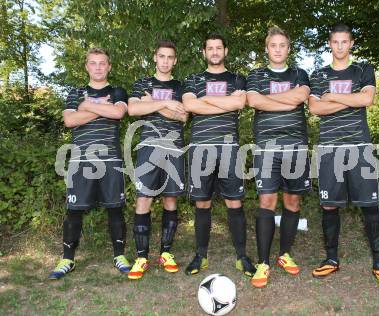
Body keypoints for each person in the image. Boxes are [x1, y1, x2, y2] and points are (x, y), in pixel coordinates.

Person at [309, 24, 379, 286]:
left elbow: (367, 100)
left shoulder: (363, 69)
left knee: (369, 205)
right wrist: (350, 97)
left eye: (344, 42)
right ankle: (331, 259)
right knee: (329, 205)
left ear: (351, 43)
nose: (339, 46)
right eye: (335, 42)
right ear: (329, 43)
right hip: (329, 149)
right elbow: (315, 108)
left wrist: (332, 97)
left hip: (360, 147)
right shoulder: (319, 74)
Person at [49, 48, 130, 279]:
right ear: (86, 66)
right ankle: (67, 259)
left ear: (109, 66)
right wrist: (101, 109)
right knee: (74, 210)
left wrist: (87, 107)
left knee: (115, 207)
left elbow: (118, 114)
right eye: (93, 63)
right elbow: (69, 120)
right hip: (81, 160)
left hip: (110, 160)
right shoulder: (75, 93)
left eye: (102, 63)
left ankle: (119, 255)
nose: (98, 67)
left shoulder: (117, 91)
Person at [182, 33, 256, 277]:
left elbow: (239, 104)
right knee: (202, 202)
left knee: (234, 202)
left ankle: (242, 257)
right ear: (204, 52)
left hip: (229, 149)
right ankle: (201, 256)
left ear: (226, 51)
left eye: (218, 48)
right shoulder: (192, 79)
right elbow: (191, 106)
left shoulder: (237, 79)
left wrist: (206, 100)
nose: (214, 52)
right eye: (210, 48)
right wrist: (225, 101)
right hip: (200, 149)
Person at [246, 27, 311, 288]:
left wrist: (268, 99)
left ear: (288, 48)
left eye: (282, 45)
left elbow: (302, 96)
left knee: (293, 201)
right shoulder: (256, 75)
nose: (277, 49)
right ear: (266, 48)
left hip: (296, 147)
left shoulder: (300, 73)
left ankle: (284, 255)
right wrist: (287, 100)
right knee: (267, 201)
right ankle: (263, 262)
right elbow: (253, 101)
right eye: (273, 45)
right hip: (266, 147)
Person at [126, 40, 187, 280]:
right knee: (144, 200)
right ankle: (142, 257)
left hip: (174, 148)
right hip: (148, 148)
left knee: (171, 199)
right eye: (161, 56)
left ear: (175, 60)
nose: (165, 61)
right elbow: (132, 110)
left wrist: (150, 103)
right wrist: (165, 103)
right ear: (155, 57)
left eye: (170, 57)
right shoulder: (142, 83)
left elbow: (182, 117)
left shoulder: (181, 86)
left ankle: (166, 253)